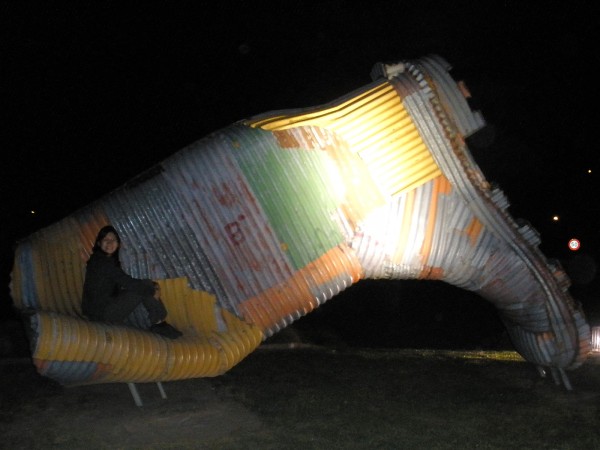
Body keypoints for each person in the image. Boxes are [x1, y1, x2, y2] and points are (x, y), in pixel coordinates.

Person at [82, 225, 182, 339]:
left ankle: (159, 322)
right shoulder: (101, 261)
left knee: (146, 285)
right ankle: (159, 323)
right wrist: (152, 291)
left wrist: (151, 287)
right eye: (106, 240)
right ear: (99, 243)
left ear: (118, 243)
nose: (109, 243)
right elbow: (126, 281)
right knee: (145, 287)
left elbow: (121, 284)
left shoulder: (106, 261)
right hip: (100, 315)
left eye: (113, 240)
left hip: (101, 310)